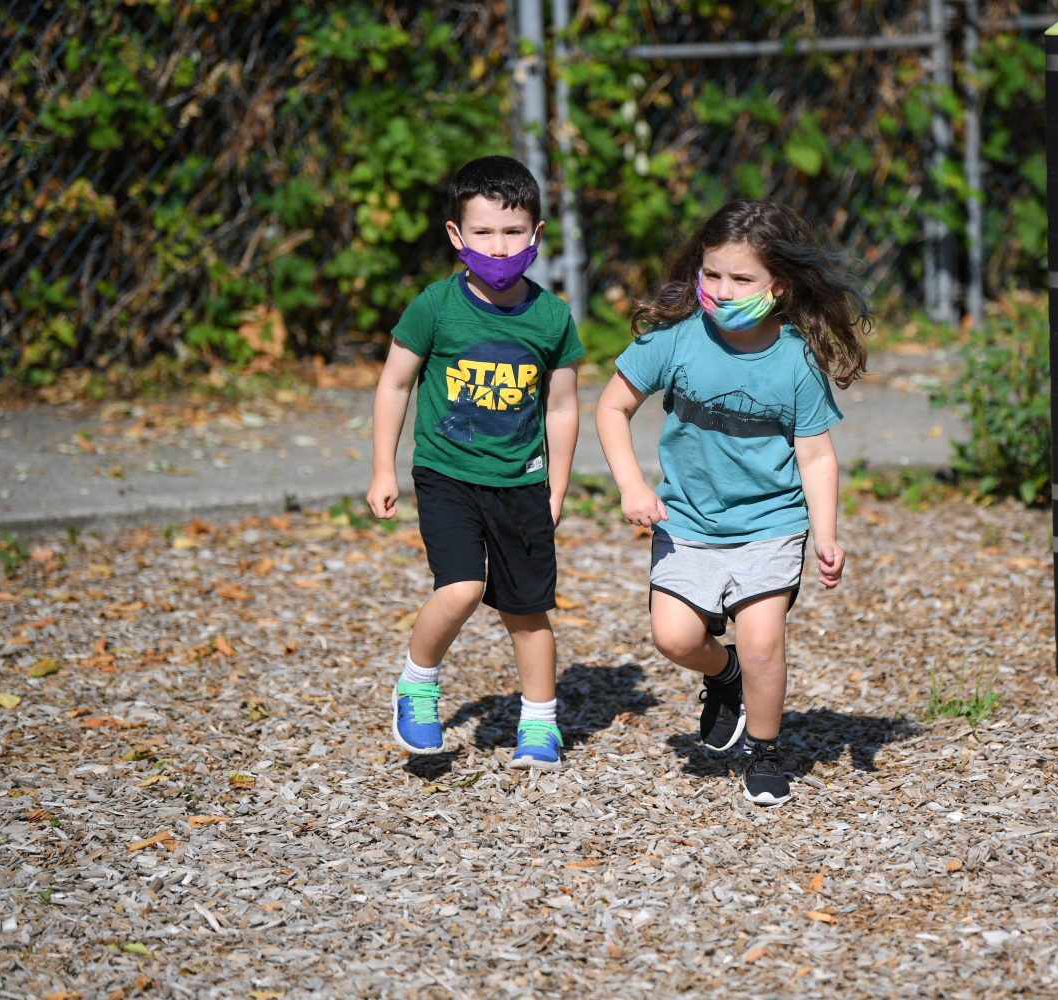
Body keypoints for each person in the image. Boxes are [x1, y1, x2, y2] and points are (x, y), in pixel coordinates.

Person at [595, 199, 871, 806]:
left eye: (742, 278)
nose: (722, 290)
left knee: (763, 641)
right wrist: (632, 485)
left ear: (778, 286)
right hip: (688, 521)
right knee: (673, 638)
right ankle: (726, 676)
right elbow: (611, 407)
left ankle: (764, 752)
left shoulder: (795, 360)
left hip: (771, 523)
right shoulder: (676, 339)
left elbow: (816, 456)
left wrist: (825, 533)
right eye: (713, 273)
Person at [367, 155, 584, 768]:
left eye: (513, 231)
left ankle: (539, 723)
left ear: (537, 233)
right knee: (461, 587)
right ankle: (417, 683)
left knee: (527, 610)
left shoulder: (551, 317)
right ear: (456, 235)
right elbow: (394, 385)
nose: (499, 246)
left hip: (521, 482)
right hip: (447, 474)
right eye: (483, 232)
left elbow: (562, 407)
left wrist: (557, 484)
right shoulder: (436, 307)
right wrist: (383, 467)